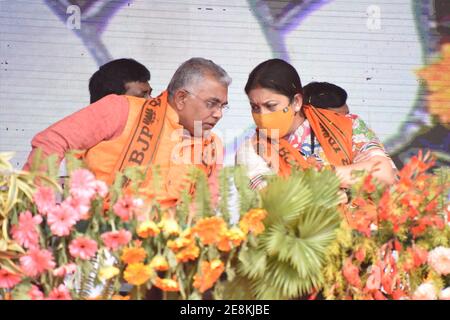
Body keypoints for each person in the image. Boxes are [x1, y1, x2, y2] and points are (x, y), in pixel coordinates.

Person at [24, 57, 231, 207]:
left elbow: (207, 205)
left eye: (223, 106)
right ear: (181, 98)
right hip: (104, 239)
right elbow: (52, 141)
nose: (218, 114)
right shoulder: (121, 109)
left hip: (168, 252)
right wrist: (38, 206)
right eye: (212, 104)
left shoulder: (212, 145)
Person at [236, 59, 396, 190]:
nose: (262, 115)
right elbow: (275, 203)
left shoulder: (347, 125)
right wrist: (346, 179)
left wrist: (324, 179)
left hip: (361, 227)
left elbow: (384, 173)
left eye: (271, 106)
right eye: (255, 107)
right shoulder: (251, 149)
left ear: (296, 102)